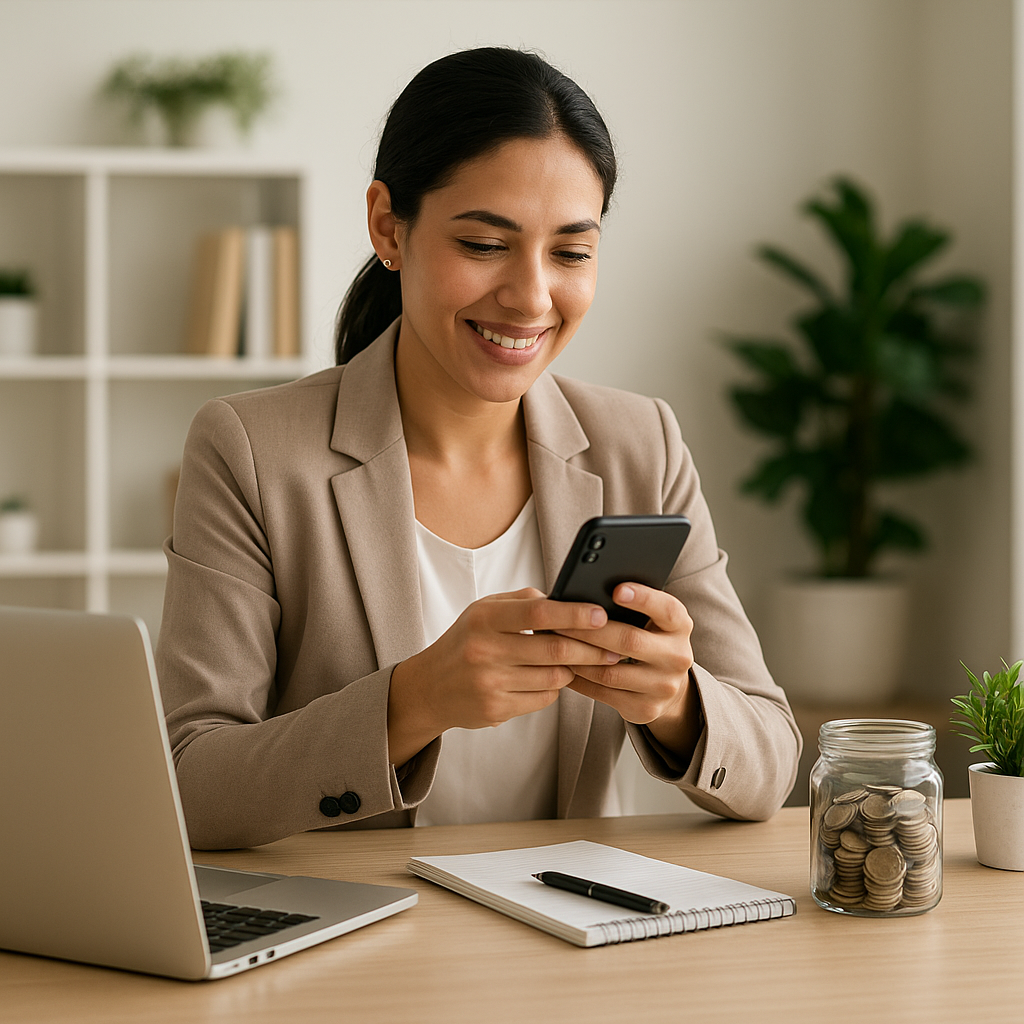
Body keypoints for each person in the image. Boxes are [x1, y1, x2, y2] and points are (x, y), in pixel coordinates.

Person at [158, 47, 801, 851]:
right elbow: (190, 782)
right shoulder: (251, 451)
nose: (531, 297)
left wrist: (675, 702)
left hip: (567, 919)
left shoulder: (641, 446)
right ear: (388, 226)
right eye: (485, 244)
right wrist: (415, 700)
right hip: (356, 923)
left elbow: (771, 762)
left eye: (571, 252)